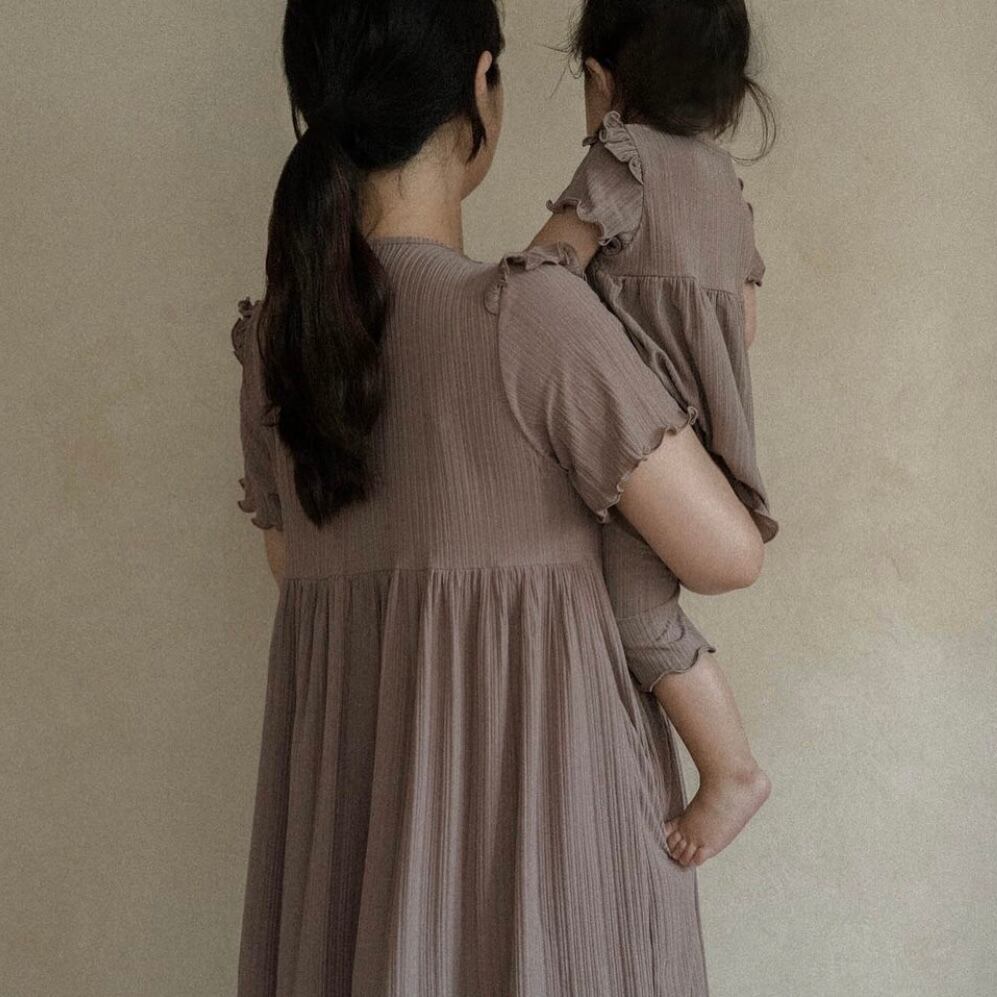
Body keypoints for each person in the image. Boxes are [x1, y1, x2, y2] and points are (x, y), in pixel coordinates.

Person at [229, 1, 763, 993]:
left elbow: (291, 569)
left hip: (355, 877)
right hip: (548, 864)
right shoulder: (529, 320)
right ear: (481, 87)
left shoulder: (274, 351)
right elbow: (726, 553)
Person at [531, 0, 777, 868]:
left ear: (602, 81)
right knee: (632, 605)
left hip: (633, 448)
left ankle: (732, 770)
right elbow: (742, 321)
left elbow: (540, 281)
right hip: (695, 448)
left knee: (636, 613)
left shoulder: (620, 160)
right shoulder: (724, 186)